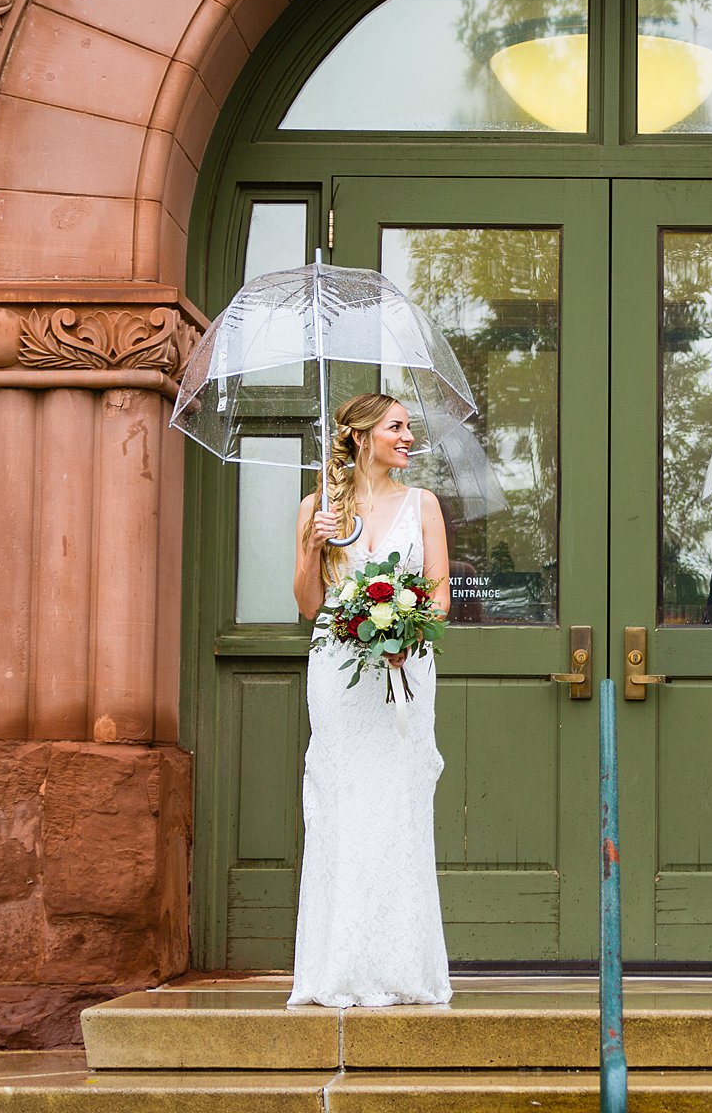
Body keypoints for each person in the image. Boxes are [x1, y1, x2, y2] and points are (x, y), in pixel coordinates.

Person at [287, 393, 453, 1008]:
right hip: (337, 670)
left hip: (405, 670)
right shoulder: (317, 508)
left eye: (408, 428)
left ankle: (403, 965)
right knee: (342, 803)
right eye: (396, 427)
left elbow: (437, 598)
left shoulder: (424, 505)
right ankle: (338, 966)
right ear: (361, 437)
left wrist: (404, 633)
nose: (408, 437)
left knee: (398, 802)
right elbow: (307, 604)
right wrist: (312, 546)